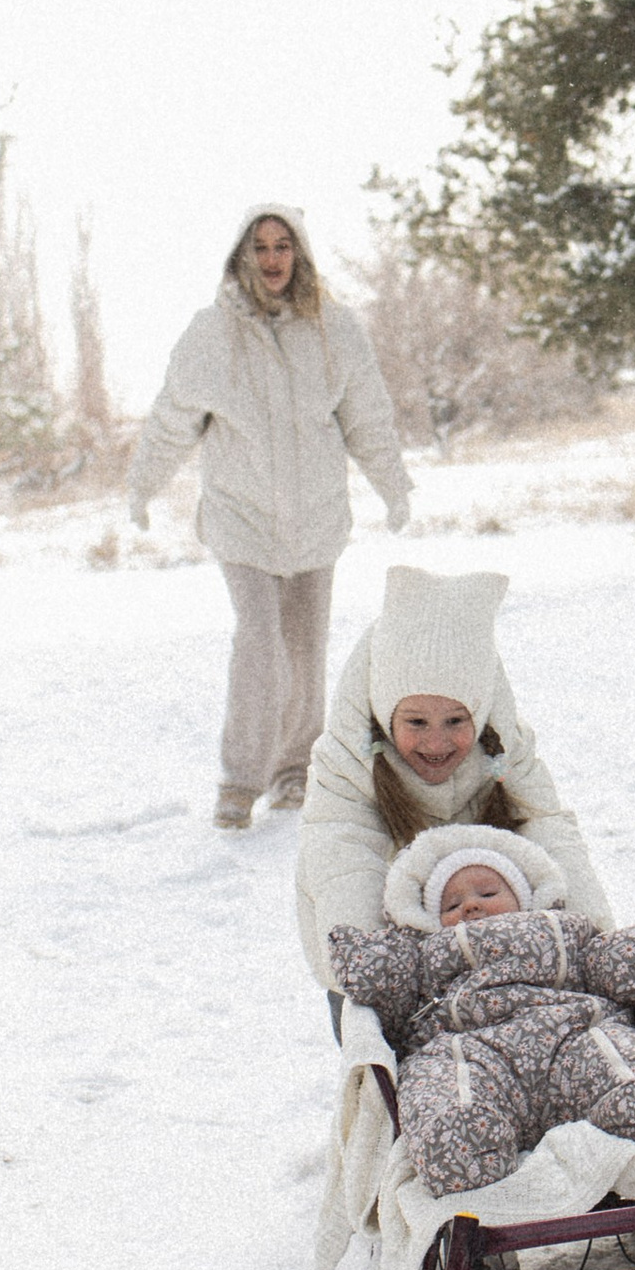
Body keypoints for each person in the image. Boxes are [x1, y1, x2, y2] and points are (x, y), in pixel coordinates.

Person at [125, 203, 411, 832]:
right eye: (261, 247)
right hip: (242, 519)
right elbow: (172, 420)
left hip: (314, 519)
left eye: (284, 246)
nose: (273, 259)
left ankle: (293, 771)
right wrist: (142, 487)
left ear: (300, 253)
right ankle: (238, 781)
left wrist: (393, 487)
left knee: (306, 651)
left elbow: (367, 418)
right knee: (260, 643)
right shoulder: (210, 335)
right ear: (241, 256)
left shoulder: (335, 331)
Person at [326, 820, 635, 1198]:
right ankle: (465, 1144)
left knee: (612, 1049)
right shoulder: (423, 952)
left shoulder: (566, 929)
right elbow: (392, 996)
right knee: (440, 1085)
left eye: (489, 892)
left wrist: (623, 958)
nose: (470, 905)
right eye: (451, 904)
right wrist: (375, 965)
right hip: (466, 1051)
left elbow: (601, 967)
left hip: (570, 1034)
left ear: (524, 896)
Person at [294, 564, 612, 986]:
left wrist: (595, 934)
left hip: (502, 944)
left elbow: (550, 834)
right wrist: (374, 970)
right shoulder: (347, 760)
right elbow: (343, 860)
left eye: (456, 721)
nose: (437, 743)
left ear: (479, 715)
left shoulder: (505, 748)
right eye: (417, 722)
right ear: (385, 714)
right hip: (385, 941)